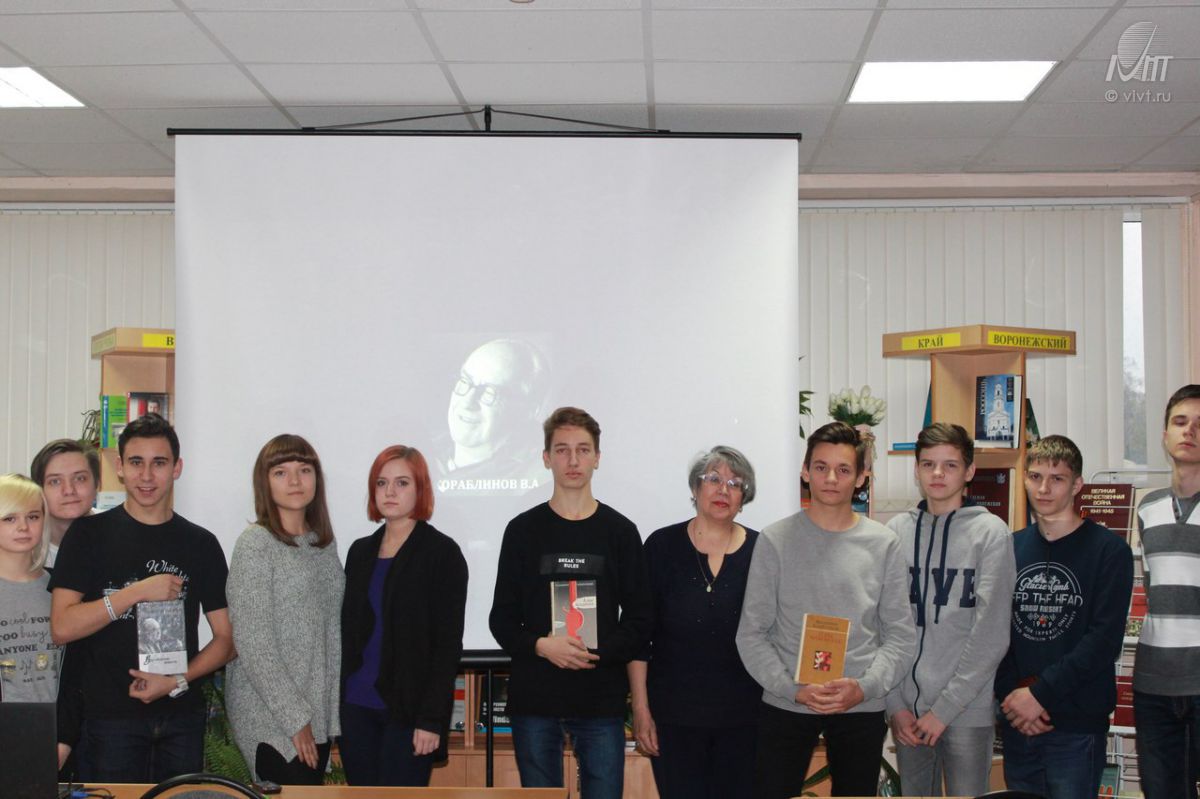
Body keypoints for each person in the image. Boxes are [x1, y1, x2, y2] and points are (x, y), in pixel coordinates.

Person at [47, 413, 234, 783]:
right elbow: (62, 627)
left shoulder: (201, 543)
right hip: (108, 721)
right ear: (120, 467)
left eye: (159, 463)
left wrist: (177, 680)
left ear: (177, 468)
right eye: (136, 462)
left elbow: (227, 639)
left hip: (182, 718)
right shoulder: (87, 535)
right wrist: (136, 593)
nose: (147, 476)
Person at [736, 421, 916, 799]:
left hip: (859, 703)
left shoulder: (884, 544)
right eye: (821, 467)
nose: (831, 478)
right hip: (788, 701)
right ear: (805, 472)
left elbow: (900, 636)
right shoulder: (774, 540)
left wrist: (864, 687)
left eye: (843, 469)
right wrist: (792, 689)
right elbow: (752, 633)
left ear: (861, 478)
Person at [489, 407, 652, 799]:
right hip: (534, 701)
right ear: (547, 458)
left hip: (601, 701)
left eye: (583, 450)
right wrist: (543, 646)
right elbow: (502, 619)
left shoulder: (620, 532)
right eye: (562, 450)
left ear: (598, 457)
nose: (573, 460)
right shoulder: (522, 531)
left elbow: (640, 619)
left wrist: (595, 652)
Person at [995, 434, 1133, 799]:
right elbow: (995, 630)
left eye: (1057, 478)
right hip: (1018, 719)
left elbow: (1103, 641)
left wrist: (1039, 695)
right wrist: (1013, 698)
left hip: (1076, 725)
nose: (1043, 488)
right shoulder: (1010, 547)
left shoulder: (1109, 551)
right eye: (1035, 477)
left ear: (1077, 485)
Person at [885, 423, 1016, 796]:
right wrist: (895, 706)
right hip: (907, 712)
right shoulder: (895, 532)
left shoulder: (991, 533)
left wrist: (944, 710)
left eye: (950, 465)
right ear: (917, 470)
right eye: (928, 464)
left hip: (965, 709)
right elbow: (883, 624)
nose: (938, 474)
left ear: (969, 471)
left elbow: (991, 634)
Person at [629, 445, 762, 799]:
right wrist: (640, 709)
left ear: (744, 497)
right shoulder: (661, 547)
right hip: (674, 719)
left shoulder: (762, 551)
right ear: (695, 487)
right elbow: (639, 637)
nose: (723, 490)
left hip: (746, 720)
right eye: (713, 479)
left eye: (735, 483)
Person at [341, 445, 468, 787]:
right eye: (381, 483)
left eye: (402, 483)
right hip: (356, 708)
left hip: (410, 714)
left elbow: (447, 647)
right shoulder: (359, 553)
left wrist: (431, 719)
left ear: (420, 489)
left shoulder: (442, 554)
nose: (390, 492)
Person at [226, 434, 344, 785]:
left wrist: (326, 718)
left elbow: (329, 632)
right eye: (281, 472)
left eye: (304, 470)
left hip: (315, 714)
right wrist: (295, 718)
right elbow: (253, 642)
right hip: (272, 717)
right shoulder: (256, 544)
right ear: (265, 482)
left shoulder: (322, 544)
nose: (294, 481)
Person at [1133, 384, 1200, 799]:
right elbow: (1154, 589)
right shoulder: (1147, 508)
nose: (1189, 431)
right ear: (1164, 435)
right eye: (1180, 421)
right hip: (1154, 683)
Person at [436, 338, 549, 491]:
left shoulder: (542, 478)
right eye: (465, 380)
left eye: (490, 391)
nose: (467, 402)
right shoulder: (423, 450)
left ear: (529, 410)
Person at [0, 474, 59, 703]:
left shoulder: (60, 587)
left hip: (58, 720)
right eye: (9, 518)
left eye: (33, 516)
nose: (23, 527)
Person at [30, 439, 100, 568]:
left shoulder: (120, 534)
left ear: (97, 484)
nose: (69, 490)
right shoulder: (25, 547)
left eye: (80, 478)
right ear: (39, 490)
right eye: (55, 481)